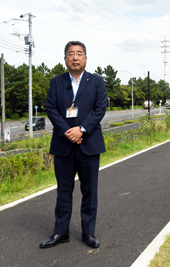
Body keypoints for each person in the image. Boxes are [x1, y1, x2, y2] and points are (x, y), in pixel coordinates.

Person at [40, 41, 107, 249]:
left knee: (90, 191)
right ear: (65, 59)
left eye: (79, 54)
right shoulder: (56, 82)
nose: (75, 57)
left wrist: (82, 129)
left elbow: (100, 108)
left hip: (89, 144)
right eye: (70, 54)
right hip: (63, 145)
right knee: (63, 190)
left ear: (85, 58)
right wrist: (69, 132)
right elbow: (51, 109)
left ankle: (88, 233)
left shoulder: (96, 82)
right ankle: (61, 232)